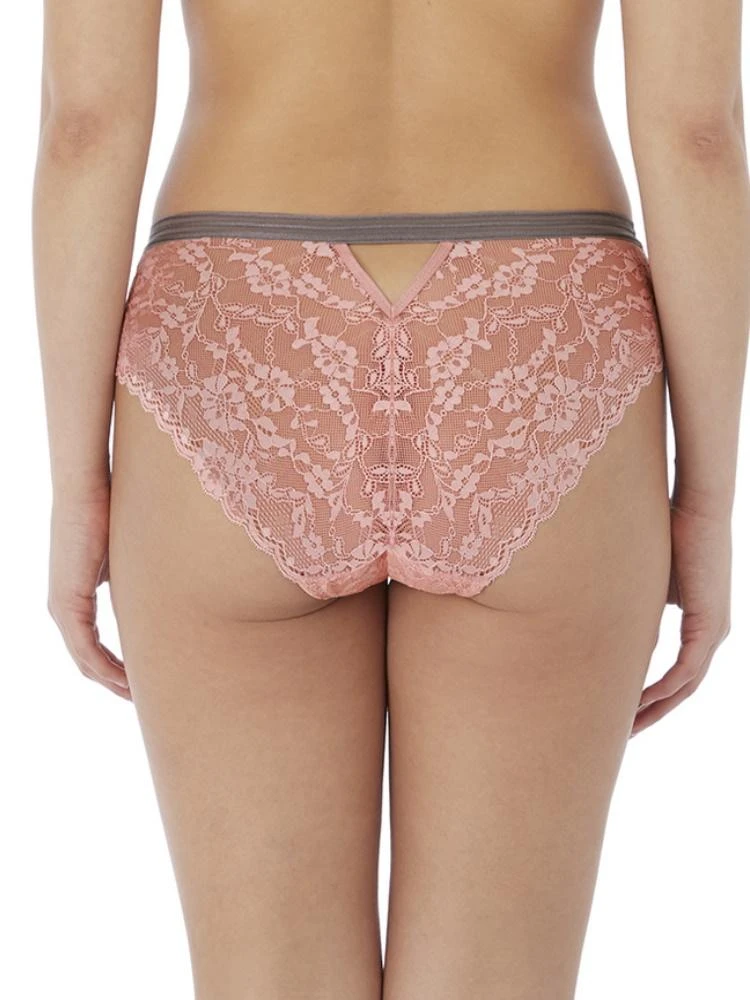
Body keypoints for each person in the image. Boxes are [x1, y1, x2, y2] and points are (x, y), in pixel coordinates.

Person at [32, 1, 749, 997]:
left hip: (237, 324)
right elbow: (697, 132)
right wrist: (706, 501)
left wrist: (77, 485)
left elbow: (86, 124)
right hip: (539, 325)